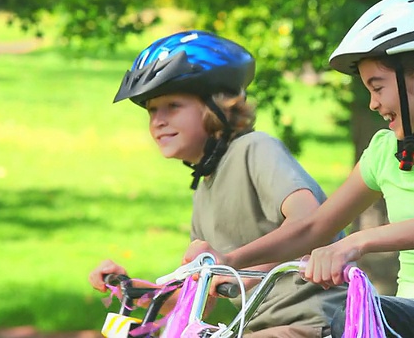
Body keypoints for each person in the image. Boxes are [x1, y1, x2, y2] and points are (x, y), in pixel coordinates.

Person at [183, 0, 414, 338]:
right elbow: (313, 228)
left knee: (356, 316)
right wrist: (229, 260)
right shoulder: (385, 150)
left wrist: (357, 242)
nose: (372, 103)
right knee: (357, 318)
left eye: (378, 86)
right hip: (412, 319)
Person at [88, 30, 347, 338]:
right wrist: (131, 287)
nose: (158, 120)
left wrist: (232, 261)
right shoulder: (205, 189)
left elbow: (311, 220)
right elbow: (198, 298)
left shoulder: (254, 149)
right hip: (255, 329)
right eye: (152, 110)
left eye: (172, 106)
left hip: (313, 321)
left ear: (216, 106)